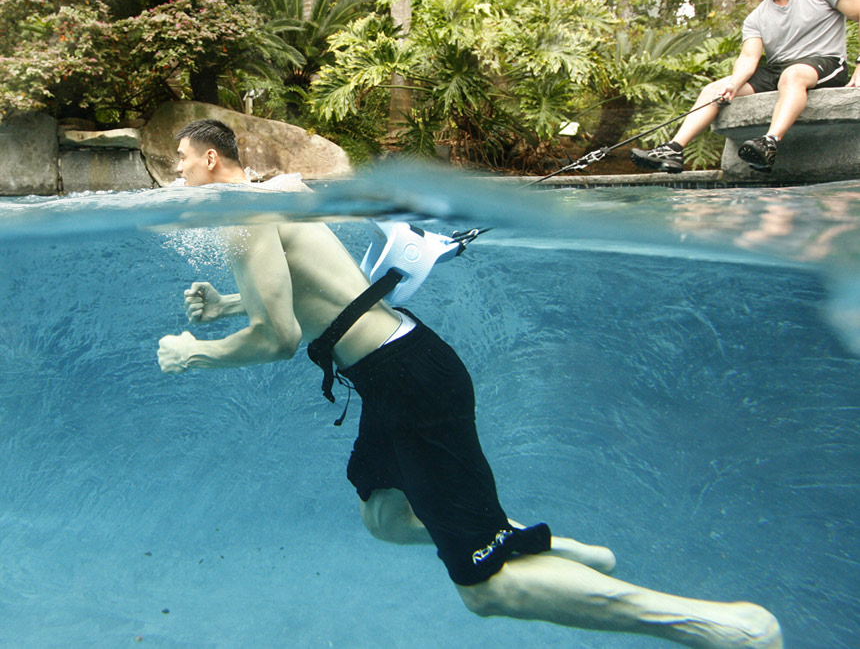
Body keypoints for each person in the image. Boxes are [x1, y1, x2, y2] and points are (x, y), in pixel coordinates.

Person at [158, 119, 783, 648]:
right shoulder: (276, 196)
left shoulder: (241, 215)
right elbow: (316, 285)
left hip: (406, 382)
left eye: (180, 161)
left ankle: (722, 627)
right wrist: (227, 305)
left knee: (486, 592)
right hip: (398, 372)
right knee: (385, 513)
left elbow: (282, 338)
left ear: (212, 160)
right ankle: (527, 540)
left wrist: (196, 354)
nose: (176, 172)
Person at [631, 0, 860, 174]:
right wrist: (734, 84)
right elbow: (749, 58)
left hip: (825, 63)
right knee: (713, 89)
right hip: (778, 70)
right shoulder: (756, 17)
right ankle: (673, 149)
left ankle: (770, 143)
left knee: (792, 75)